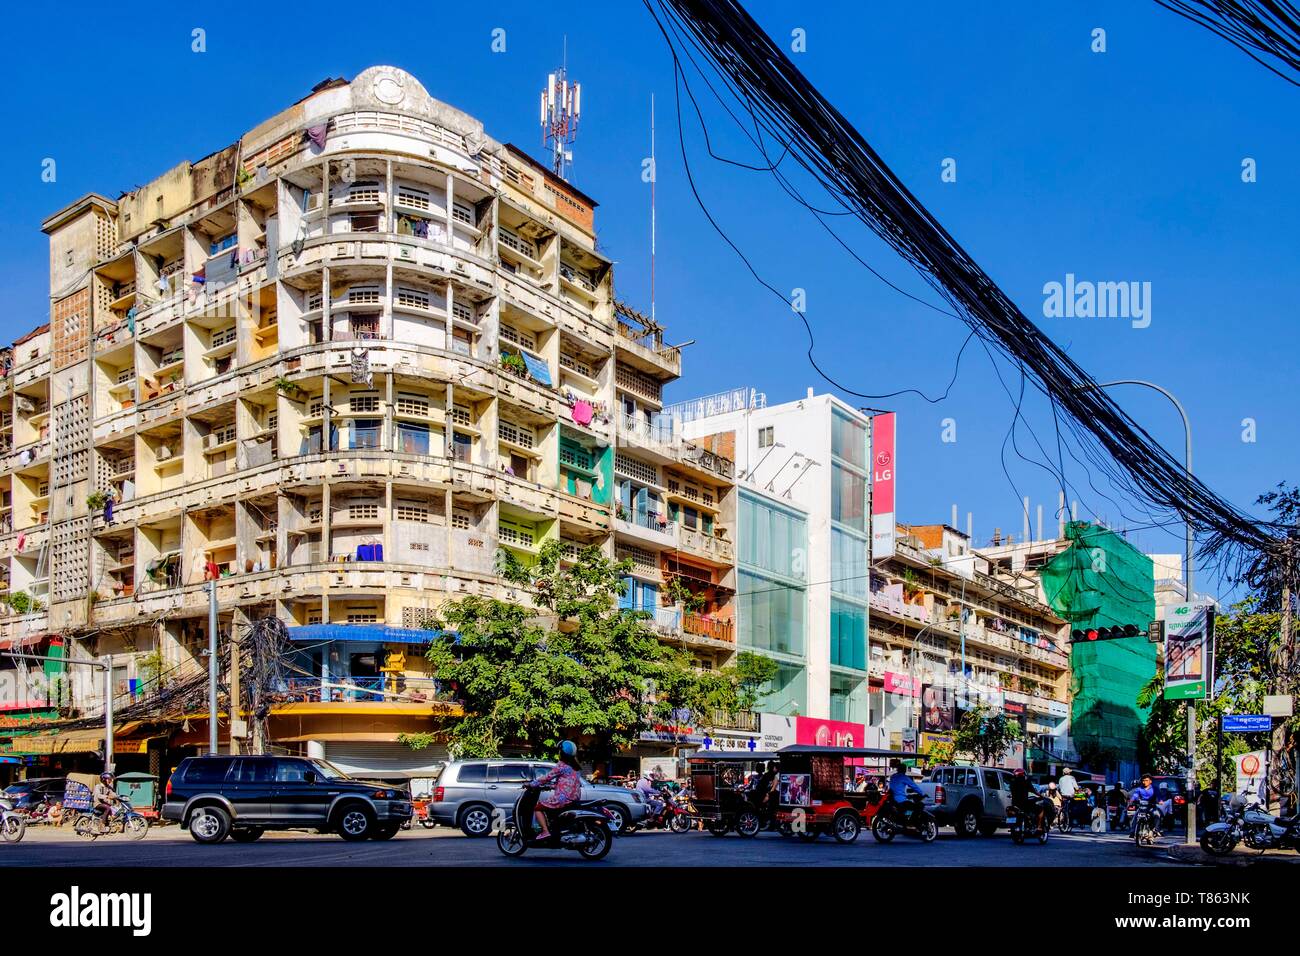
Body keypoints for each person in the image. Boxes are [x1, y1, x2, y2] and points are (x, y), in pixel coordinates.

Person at [532, 740, 584, 841]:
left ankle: (545, 831)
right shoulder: (576, 767)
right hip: (574, 798)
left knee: (537, 807)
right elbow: (567, 782)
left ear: (562, 753)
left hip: (562, 799)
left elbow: (547, 777)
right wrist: (552, 786)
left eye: (559, 751)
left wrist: (531, 784)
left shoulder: (562, 766)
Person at [886, 759, 924, 825]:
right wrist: (922, 793)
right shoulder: (904, 777)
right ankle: (910, 823)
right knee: (915, 808)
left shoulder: (893, 776)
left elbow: (896, 788)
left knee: (908, 807)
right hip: (901, 800)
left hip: (893, 800)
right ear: (904, 770)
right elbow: (914, 786)